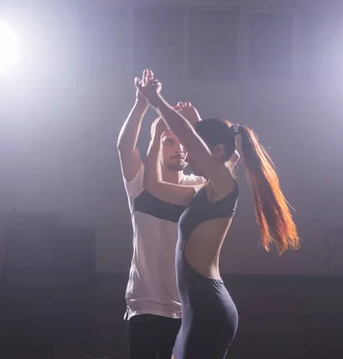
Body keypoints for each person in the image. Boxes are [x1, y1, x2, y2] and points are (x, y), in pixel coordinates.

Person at [137, 75, 300, 359]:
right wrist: (155, 137)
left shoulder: (225, 187)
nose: (185, 155)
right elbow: (152, 186)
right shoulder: (202, 191)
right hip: (194, 311)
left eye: (192, 150)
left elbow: (194, 140)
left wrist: (157, 101)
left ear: (218, 151)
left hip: (208, 312)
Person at [117, 69, 207, 359]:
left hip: (185, 307)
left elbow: (212, 164)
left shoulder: (197, 187)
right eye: (169, 141)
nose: (178, 148)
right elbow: (124, 147)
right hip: (144, 305)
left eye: (181, 142)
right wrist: (142, 103)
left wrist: (195, 125)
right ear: (156, 143)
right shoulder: (140, 183)